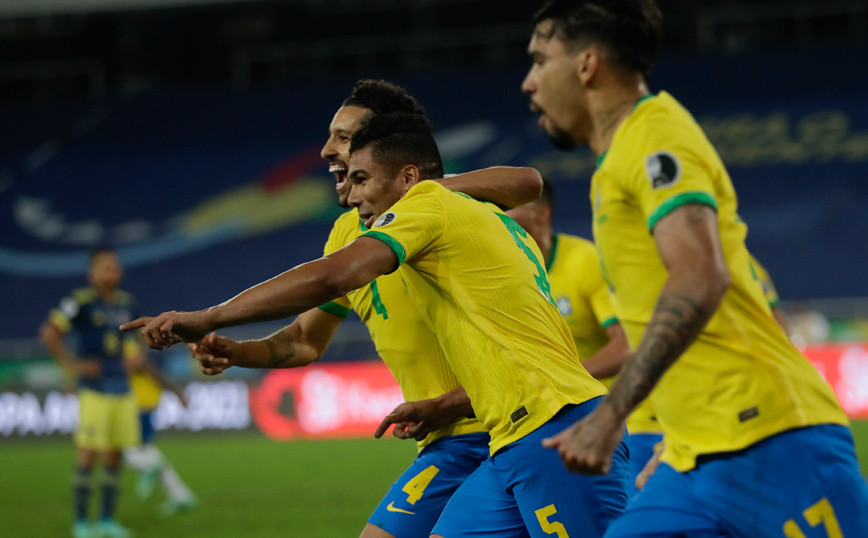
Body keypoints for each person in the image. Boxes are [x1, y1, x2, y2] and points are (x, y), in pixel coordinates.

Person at [124, 112, 629, 537]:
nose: (351, 192)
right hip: (507, 435)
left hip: (552, 425)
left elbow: (333, 276)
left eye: (362, 177)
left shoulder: (430, 206)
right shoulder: (480, 216)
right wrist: (441, 404)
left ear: (406, 177)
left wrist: (206, 317)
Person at [521, 0, 868, 535]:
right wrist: (680, 436)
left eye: (541, 60)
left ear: (587, 64)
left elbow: (700, 276)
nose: (528, 82)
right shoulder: (615, 164)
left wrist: (610, 414)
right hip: (690, 458)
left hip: (770, 439)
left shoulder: (653, 135)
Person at [188, 79, 544, 538]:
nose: (325, 150)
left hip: (498, 425)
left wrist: (424, 190)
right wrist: (236, 352)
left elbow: (527, 182)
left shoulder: (444, 208)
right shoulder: (347, 234)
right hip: (448, 439)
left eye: (343, 137)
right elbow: (303, 340)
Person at [507, 178, 656, 496]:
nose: (499, 220)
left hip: (626, 420)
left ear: (542, 215)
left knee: (625, 516)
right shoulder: (506, 275)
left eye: (508, 210)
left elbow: (628, 345)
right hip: (551, 422)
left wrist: (564, 378)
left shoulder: (584, 261)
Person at [40, 247, 141, 538]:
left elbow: (140, 338)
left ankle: (107, 520)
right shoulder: (79, 301)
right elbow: (50, 332)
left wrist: (139, 357)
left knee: (115, 455)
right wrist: (72, 365)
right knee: (88, 454)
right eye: (104, 267)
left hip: (122, 387)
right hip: (94, 389)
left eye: (115, 267)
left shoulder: (128, 304)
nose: (111, 272)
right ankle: (82, 522)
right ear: (92, 274)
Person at [124, 357, 197, 516]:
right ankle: (182, 496)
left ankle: (147, 465)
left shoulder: (132, 349)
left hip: (136, 406)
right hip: (142, 405)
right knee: (148, 452)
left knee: (117, 452)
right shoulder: (141, 349)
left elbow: (145, 367)